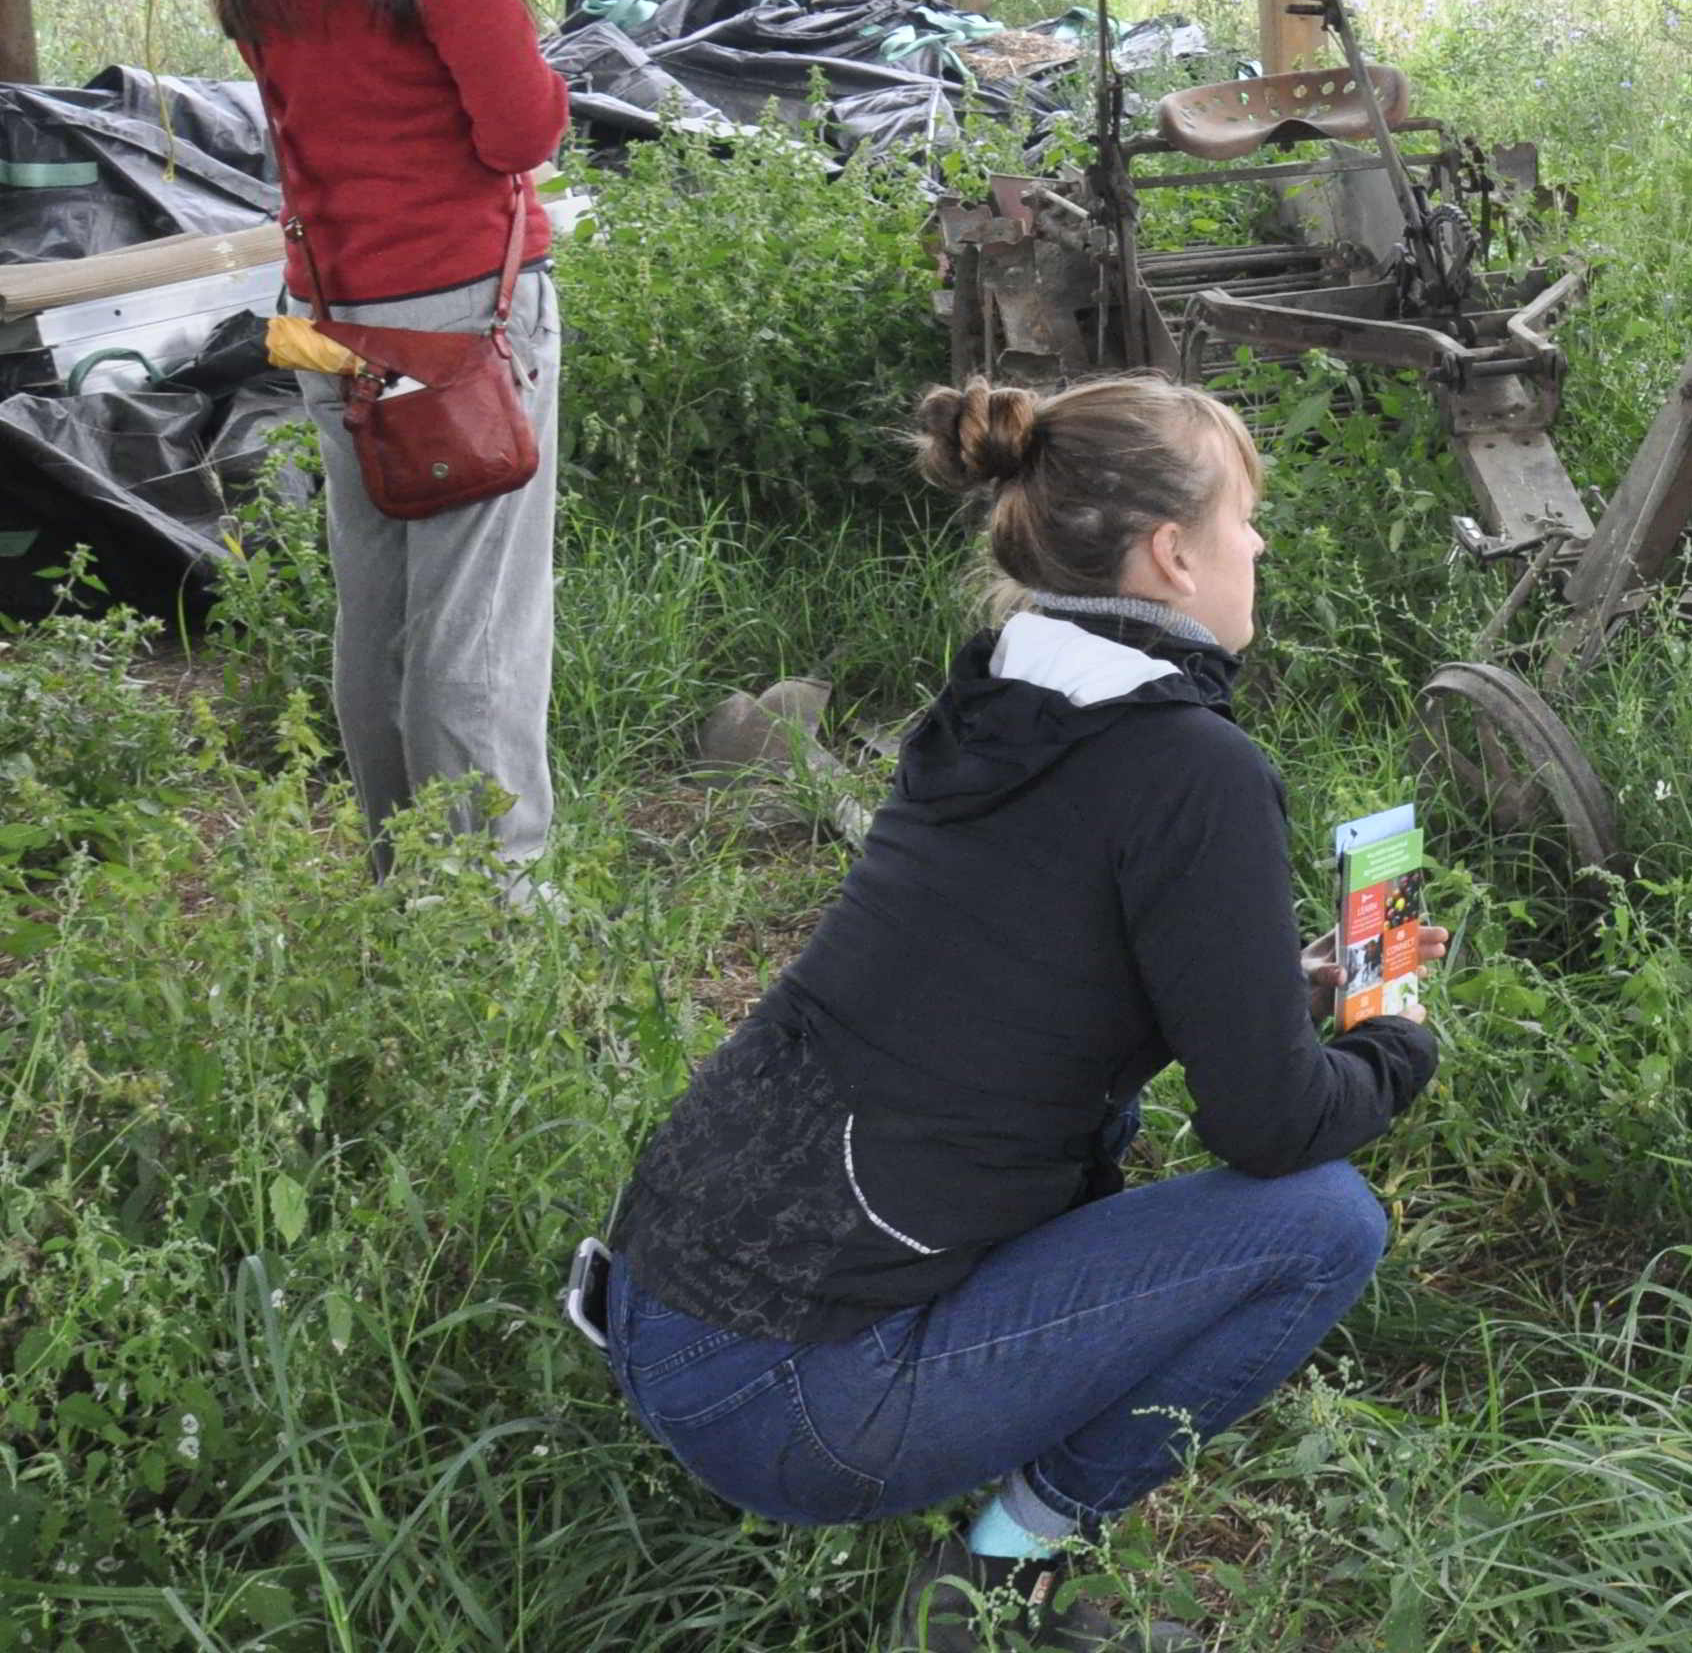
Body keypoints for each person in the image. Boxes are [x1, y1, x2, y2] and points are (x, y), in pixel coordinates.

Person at [583, 375, 1435, 1652]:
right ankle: (997, 1583)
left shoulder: (997, 701)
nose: (1259, 544)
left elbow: (1026, 967)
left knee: (1096, 1122)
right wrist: (1396, 1036)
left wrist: (1266, 978)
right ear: (1172, 551)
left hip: (660, 1309)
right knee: (1323, 1222)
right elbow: (1273, 1126)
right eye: (1244, 517)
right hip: (793, 1407)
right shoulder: (1194, 766)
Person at [210, 0, 568, 895]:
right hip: (458, 319)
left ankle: (402, 878)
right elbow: (520, 127)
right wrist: (550, 75)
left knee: (382, 614)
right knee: (479, 626)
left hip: (327, 315)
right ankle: (492, 911)